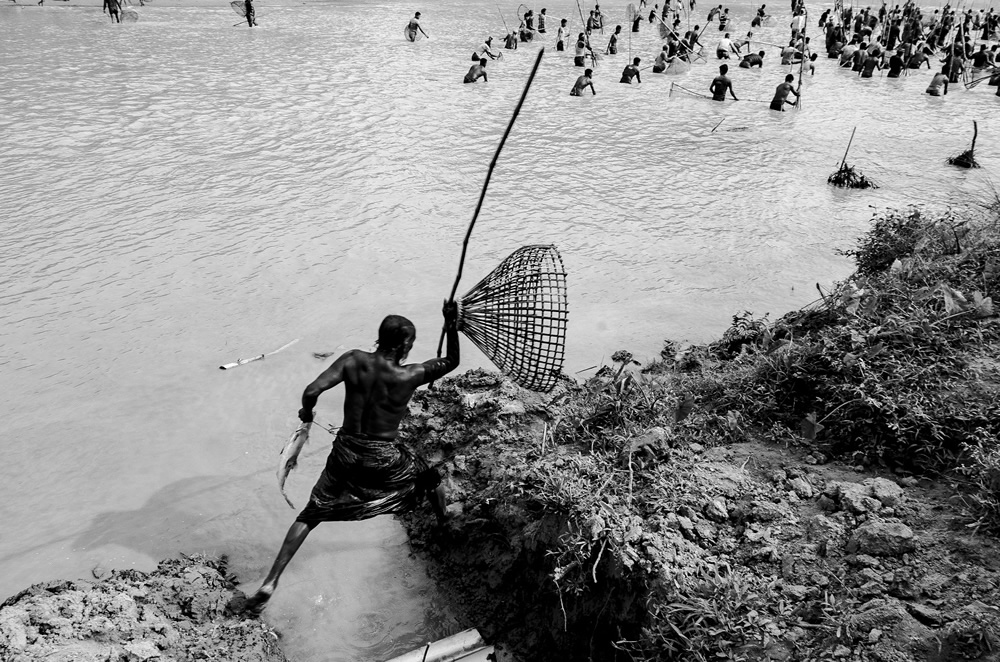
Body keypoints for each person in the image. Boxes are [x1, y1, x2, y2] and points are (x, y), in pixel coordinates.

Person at [236, 305, 461, 615]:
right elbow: (452, 361)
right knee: (429, 476)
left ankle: (271, 581)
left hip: (345, 452)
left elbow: (312, 390)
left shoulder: (354, 359)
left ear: (379, 339)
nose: (410, 348)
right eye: (410, 343)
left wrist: (306, 412)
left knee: (310, 515)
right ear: (403, 346)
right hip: (382, 456)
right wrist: (451, 325)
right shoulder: (411, 374)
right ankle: (443, 523)